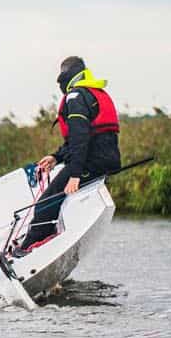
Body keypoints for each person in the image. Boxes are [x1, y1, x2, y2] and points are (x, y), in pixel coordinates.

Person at [20, 55, 122, 251]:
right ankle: (46, 242)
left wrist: (74, 174)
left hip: (88, 163)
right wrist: (56, 157)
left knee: (44, 205)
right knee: (55, 203)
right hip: (103, 160)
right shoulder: (93, 92)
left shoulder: (75, 97)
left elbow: (80, 138)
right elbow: (84, 138)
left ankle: (27, 250)